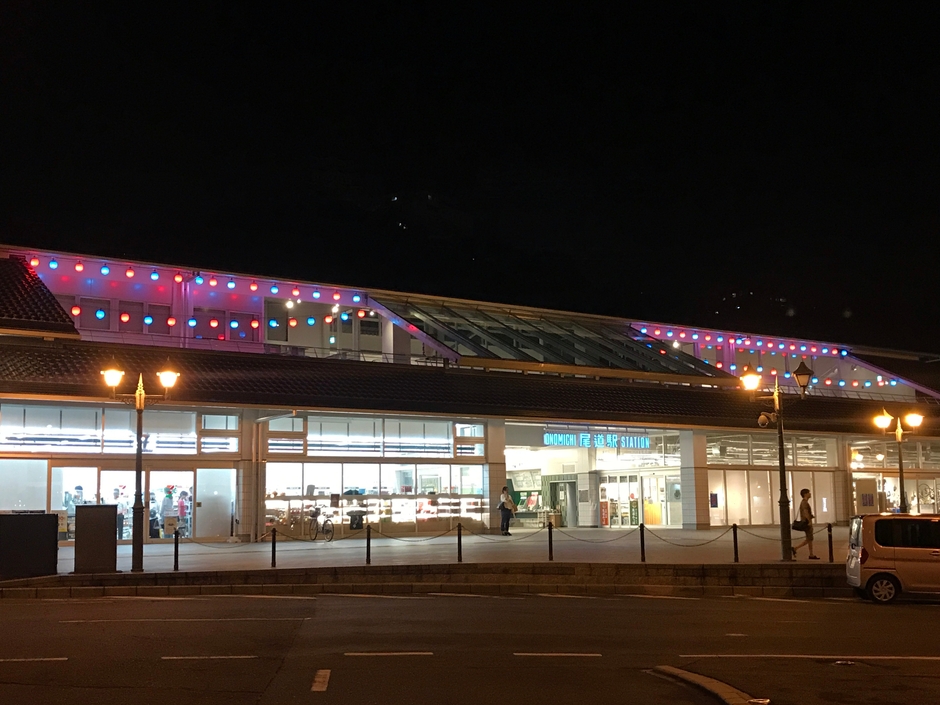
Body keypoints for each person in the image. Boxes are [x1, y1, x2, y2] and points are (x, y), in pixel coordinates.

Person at [792, 488, 819, 559]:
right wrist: (809, 521)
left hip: (806, 521)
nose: (810, 494)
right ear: (805, 494)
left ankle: (811, 554)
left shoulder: (804, 502)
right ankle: (795, 548)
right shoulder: (804, 502)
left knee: (809, 538)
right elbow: (805, 512)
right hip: (806, 522)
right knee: (809, 538)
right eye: (808, 493)